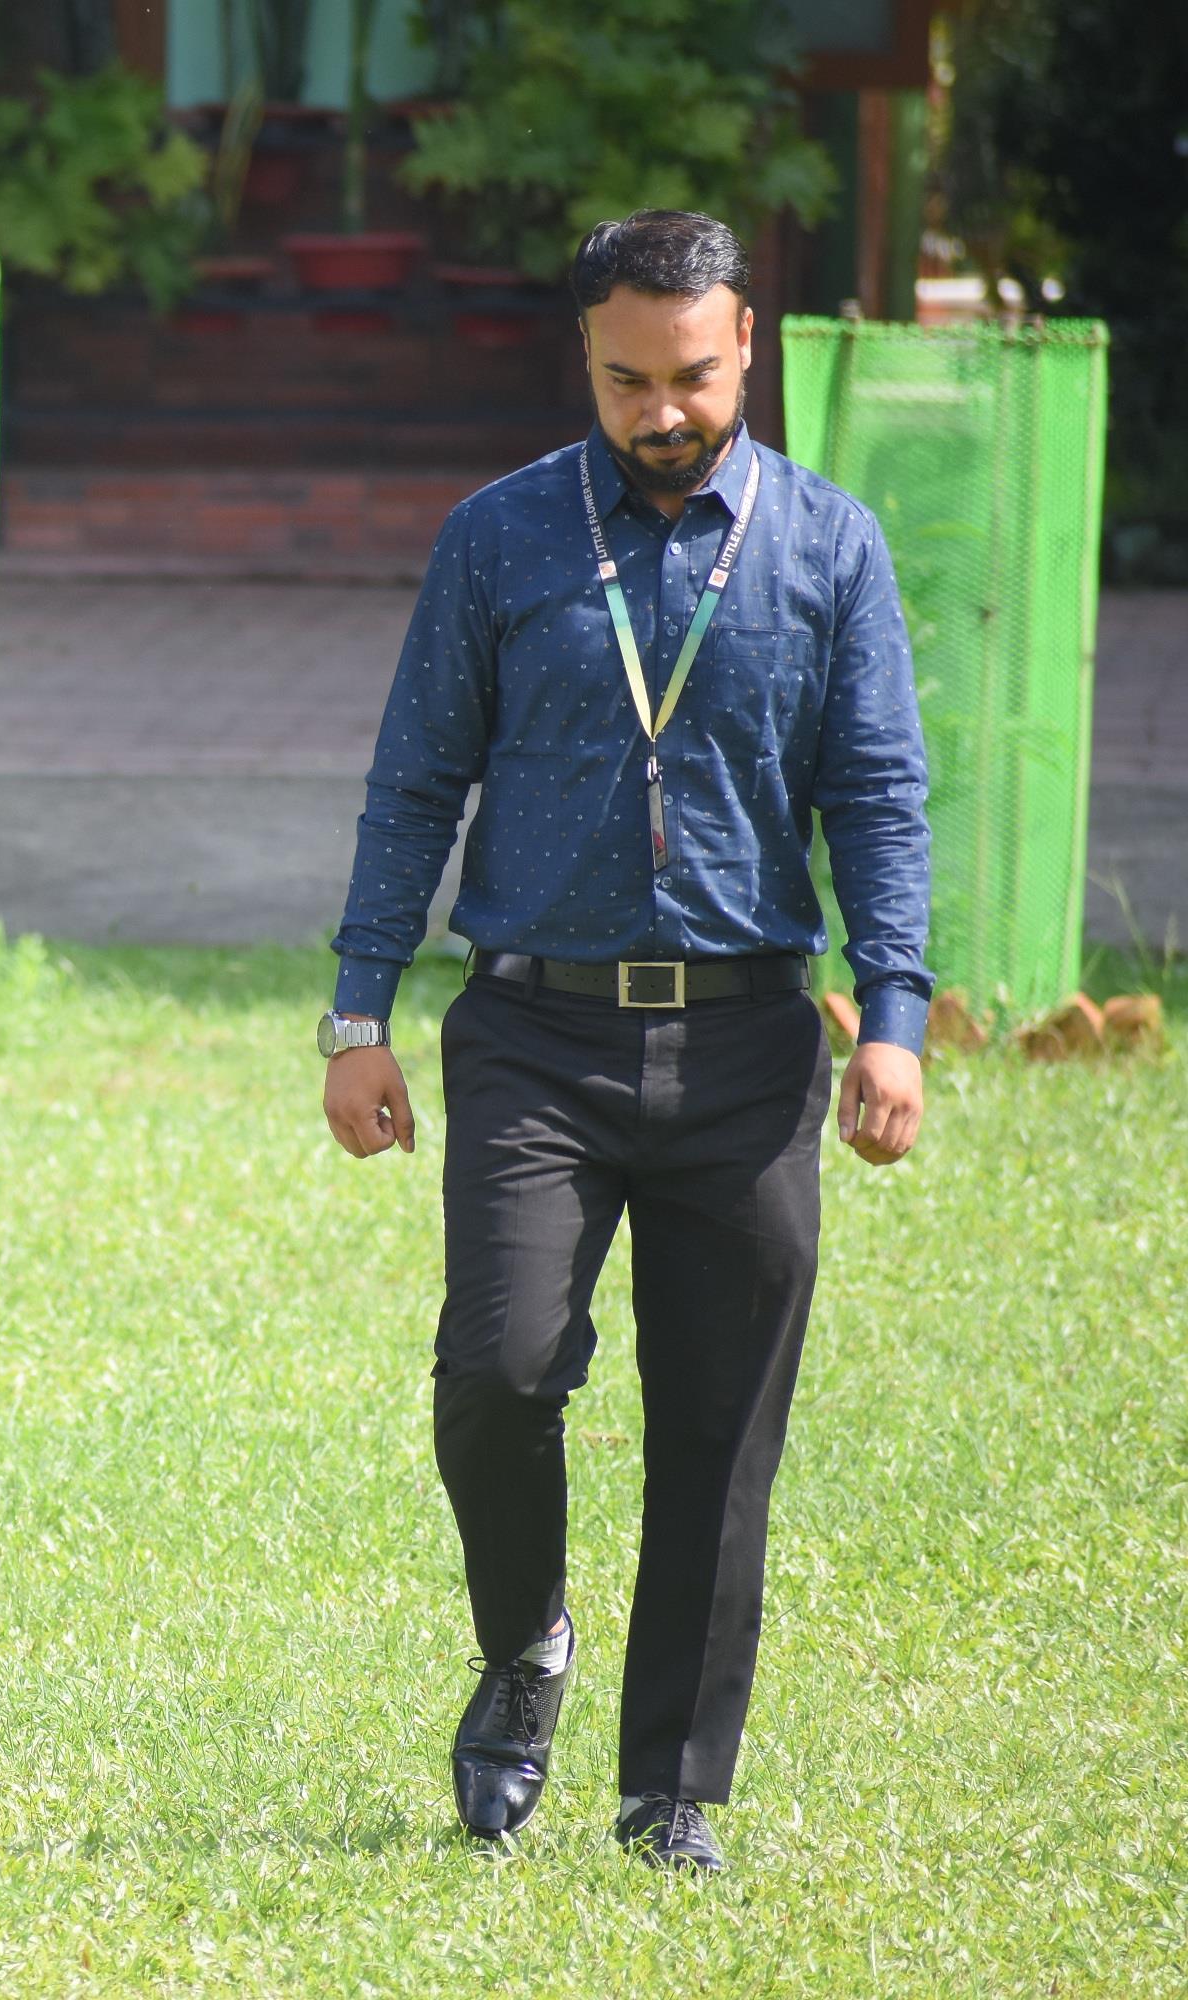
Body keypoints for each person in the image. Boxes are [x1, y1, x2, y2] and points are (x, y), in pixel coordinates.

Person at [317, 212, 931, 1872]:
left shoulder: (830, 546)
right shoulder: (499, 539)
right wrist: (360, 1010)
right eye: (629, 379)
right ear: (583, 357)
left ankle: (674, 1790)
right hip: (533, 1032)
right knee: (499, 1369)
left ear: (753, 347)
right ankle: (524, 1649)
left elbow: (877, 794)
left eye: (698, 377)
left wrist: (895, 1018)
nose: (666, 410)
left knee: (717, 1426)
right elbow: (414, 782)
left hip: (747, 1045)